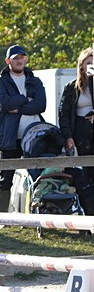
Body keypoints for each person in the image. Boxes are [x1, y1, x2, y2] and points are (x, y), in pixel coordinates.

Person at [0, 45, 48, 212]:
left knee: (38, 175)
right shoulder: (2, 81)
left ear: (26, 59)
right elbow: (5, 103)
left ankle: (39, 212)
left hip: (34, 136)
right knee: (5, 179)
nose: (19, 60)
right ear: (8, 61)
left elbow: (41, 105)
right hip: (11, 137)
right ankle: (2, 217)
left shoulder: (35, 81)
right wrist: (24, 99)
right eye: (15, 58)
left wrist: (17, 108)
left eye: (22, 57)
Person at [57, 47, 94, 215]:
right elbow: (64, 114)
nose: (91, 66)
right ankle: (87, 212)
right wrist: (68, 136)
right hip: (79, 132)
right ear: (82, 66)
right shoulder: (71, 87)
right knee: (82, 175)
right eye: (88, 63)